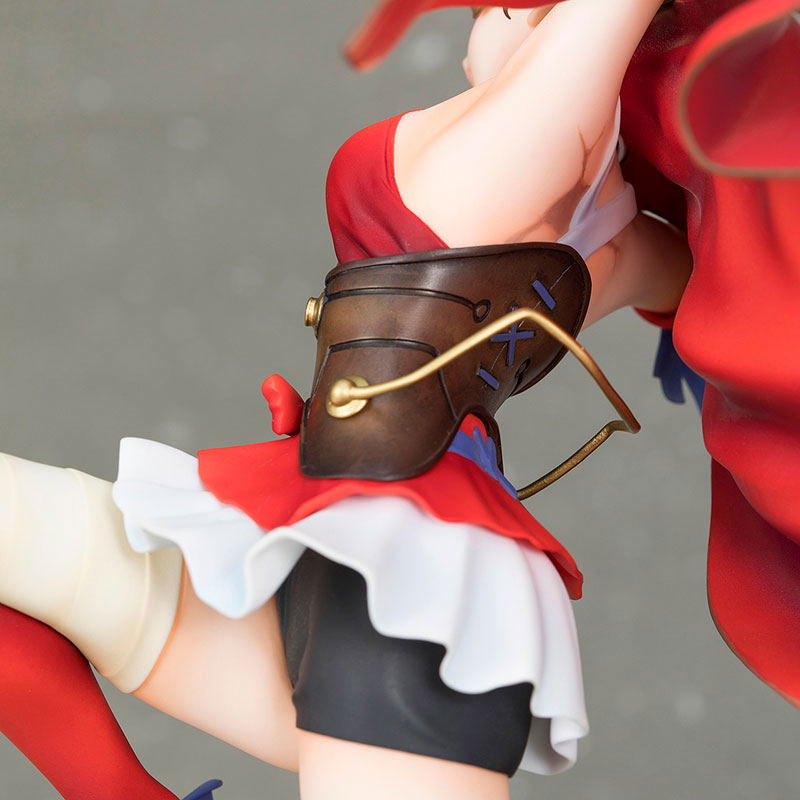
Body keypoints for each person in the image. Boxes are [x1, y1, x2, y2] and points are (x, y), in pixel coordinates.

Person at [0, 3, 692, 798]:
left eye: (497, 10)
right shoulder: (585, 228)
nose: (472, 39)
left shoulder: (516, 159)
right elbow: (686, 280)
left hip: (410, 582)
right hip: (312, 530)